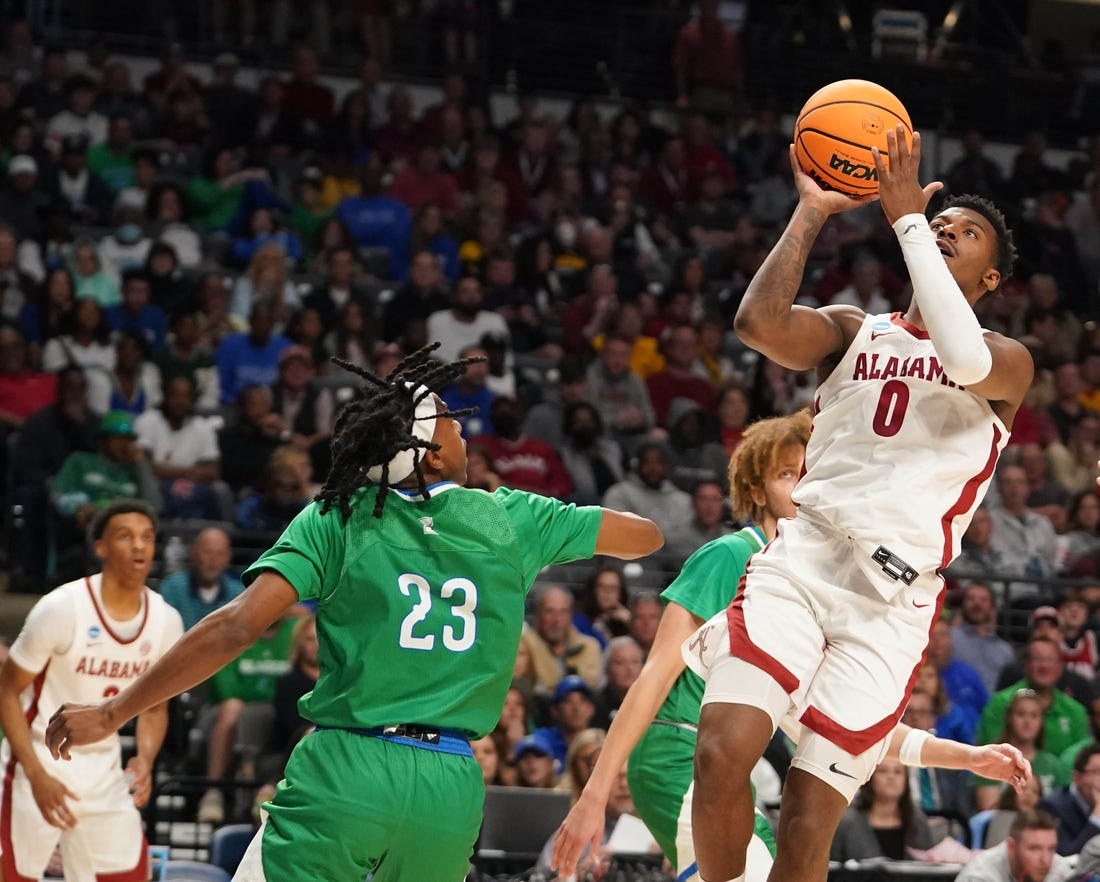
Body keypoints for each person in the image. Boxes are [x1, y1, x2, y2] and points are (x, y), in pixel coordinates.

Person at [45, 343, 663, 882]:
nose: (464, 429)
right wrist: (527, 511)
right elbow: (647, 537)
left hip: (349, 766)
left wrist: (112, 712)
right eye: (451, 421)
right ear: (429, 455)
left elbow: (235, 626)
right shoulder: (511, 518)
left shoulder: (339, 515)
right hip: (450, 783)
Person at [683, 127, 1033, 882]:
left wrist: (909, 218)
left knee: (809, 826)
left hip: (891, 604)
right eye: (939, 225)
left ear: (993, 278)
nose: (944, 233)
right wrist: (810, 212)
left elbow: (963, 357)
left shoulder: (1009, 361)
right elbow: (757, 326)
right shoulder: (854, 329)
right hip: (805, 560)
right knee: (719, 754)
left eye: (963, 234)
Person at [554, 410, 1033, 882]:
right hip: (676, 750)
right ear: (756, 491)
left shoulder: (826, 590)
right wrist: (594, 795)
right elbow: (654, 675)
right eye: (787, 475)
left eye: (811, 471)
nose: (803, 486)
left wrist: (965, 756)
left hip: (722, 766)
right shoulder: (731, 555)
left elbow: (845, 727)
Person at [0, 500, 184, 882]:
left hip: (104, 766)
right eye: (125, 536)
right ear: (100, 547)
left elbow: (154, 708)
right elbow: (6, 692)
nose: (139, 546)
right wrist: (35, 776)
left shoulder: (166, 620)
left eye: (147, 538)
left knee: (129, 875)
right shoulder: (62, 608)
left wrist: (146, 759)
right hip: (36, 759)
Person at [829, 758, 934, 862]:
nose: (891, 777)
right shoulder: (846, 822)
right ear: (870, 777)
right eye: (883, 771)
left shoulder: (917, 820)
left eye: (898, 772)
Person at [158, 527, 244, 631]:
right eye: (208, 552)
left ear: (228, 558)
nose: (213, 560)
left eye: (219, 554)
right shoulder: (173, 587)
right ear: (194, 553)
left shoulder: (238, 594)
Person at [955, 810, 1071, 882]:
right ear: (1011, 846)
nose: (1045, 860)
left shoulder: (1060, 871)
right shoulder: (980, 876)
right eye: (1034, 849)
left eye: (1051, 849)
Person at [1038, 742, 1100, 855]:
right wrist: (1096, 818)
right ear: (1077, 777)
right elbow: (1065, 855)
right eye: (1097, 772)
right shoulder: (1051, 806)